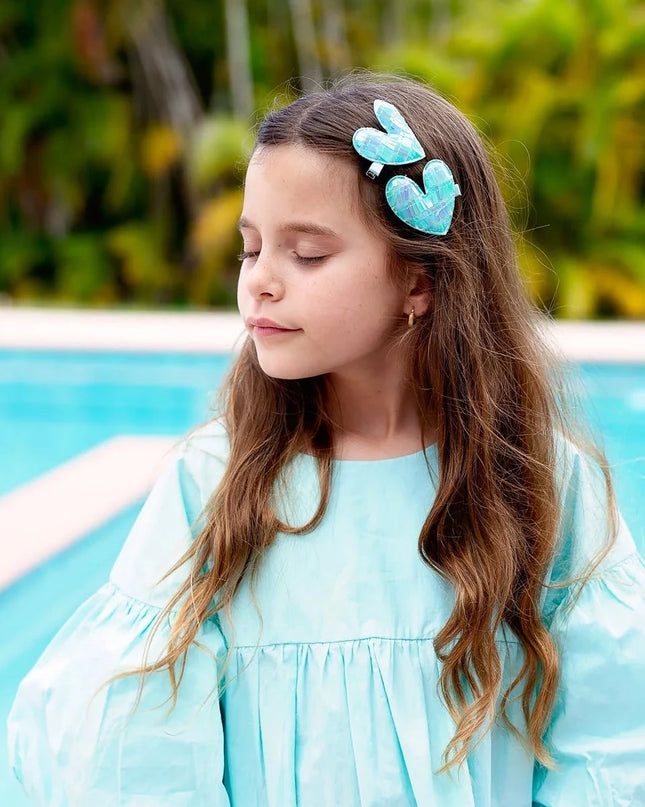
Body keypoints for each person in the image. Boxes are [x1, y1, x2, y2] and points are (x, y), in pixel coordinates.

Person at [7, 72, 645, 807]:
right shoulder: (215, 481)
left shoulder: (538, 480)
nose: (260, 282)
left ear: (419, 280)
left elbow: (612, 738)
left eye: (306, 254)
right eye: (250, 250)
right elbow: (132, 742)